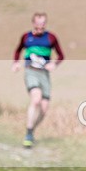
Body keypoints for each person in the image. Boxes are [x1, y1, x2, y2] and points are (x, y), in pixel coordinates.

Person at [12, 12, 64, 147]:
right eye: (38, 23)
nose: (41, 26)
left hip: (44, 74)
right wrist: (16, 63)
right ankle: (29, 133)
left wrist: (54, 64)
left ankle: (31, 130)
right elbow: (18, 50)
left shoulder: (51, 38)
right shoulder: (26, 37)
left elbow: (61, 55)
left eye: (43, 23)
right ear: (33, 23)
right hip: (31, 72)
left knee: (44, 108)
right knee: (36, 100)